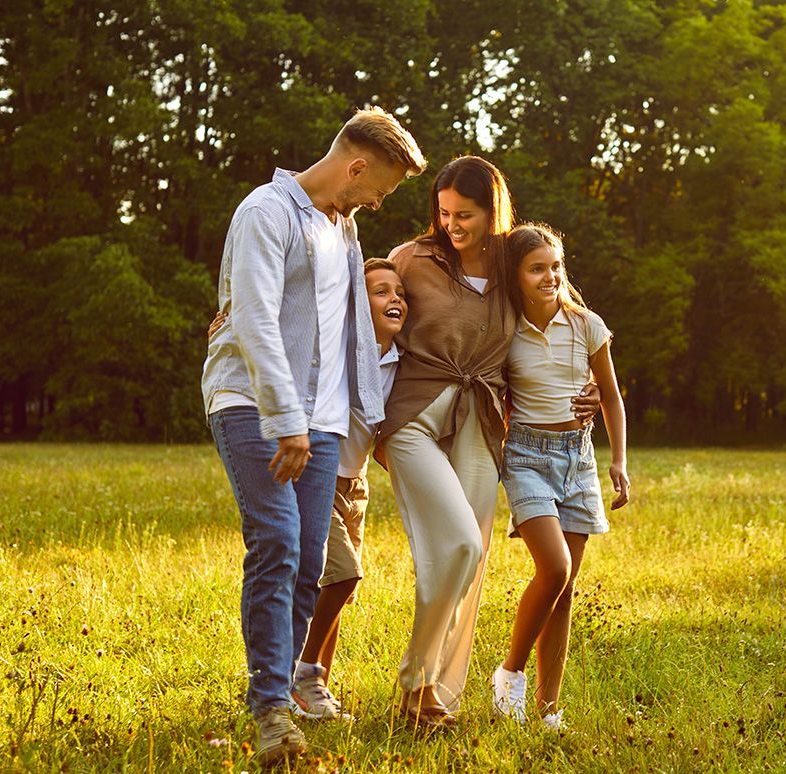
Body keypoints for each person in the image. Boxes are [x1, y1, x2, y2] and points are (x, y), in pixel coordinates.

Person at [200, 107, 425, 765]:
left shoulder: (344, 229)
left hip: (322, 421)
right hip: (253, 405)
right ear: (355, 167)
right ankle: (271, 709)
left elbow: (354, 332)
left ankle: (280, 696)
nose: (380, 202)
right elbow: (256, 322)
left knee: (309, 562)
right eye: (381, 187)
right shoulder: (265, 213)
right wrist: (286, 420)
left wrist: (365, 414)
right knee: (276, 541)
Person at [375, 156, 600, 728]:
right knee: (457, 546)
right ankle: (414, 683)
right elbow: (365, 314)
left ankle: (432, 700)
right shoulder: (415, 258)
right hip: (415, 415)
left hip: (481, 419)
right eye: (444, 213)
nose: (452, 225)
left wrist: (588, 387)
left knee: (468, 562)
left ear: (492, 210)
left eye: (466, 215)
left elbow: (563, 315)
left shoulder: (510, 265)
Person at [207, 258, 408, 724]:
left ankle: (313, 686)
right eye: (380, 291)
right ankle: (300, 678)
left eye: (399, 292)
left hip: (355, 483)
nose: (394, 298)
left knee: (329, 585)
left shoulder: (402, 360)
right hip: (319, 467)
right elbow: (285, 328)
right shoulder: (339, 343)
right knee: (341, 574)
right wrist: (228, 331)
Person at [490, 224, 630, 731]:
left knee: (565, 589)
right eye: (536, 268)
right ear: (516, 275)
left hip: (578, 459)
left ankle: (550, 707)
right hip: (526, 455)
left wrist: (618, 461)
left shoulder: (587, 324)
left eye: (555, 266)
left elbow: (611, 395)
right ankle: (510, 676)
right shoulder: (504, 329)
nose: (549, 276)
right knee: (554, 568)